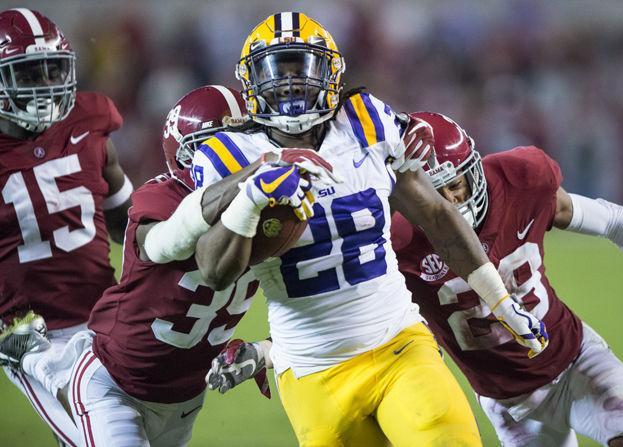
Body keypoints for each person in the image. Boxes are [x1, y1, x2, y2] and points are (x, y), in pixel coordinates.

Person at [195, 12, 548, 446]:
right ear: (251, 82)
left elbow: (436, 214)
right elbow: (213, 269)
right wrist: (252, 193)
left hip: (398, 344)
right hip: (312, 373)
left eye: (302, 70)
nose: (289, 85)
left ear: (332, 74)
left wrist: (499, 298)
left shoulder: (366, 122)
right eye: (276, 72)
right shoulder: (229, 154)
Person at [66, 84, 335, 447]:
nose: (234, 154)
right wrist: (250, 180)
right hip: (113, 383)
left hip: (185, 401)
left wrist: (264, 352)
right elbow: (164, 244)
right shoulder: (163, 196)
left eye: (245, 140)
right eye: (217, 146)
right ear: (186, 153)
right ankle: (41, 363)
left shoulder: (278, 210)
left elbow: (323, 304)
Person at [390, 111, 623, 447]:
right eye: (435, 195)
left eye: (455, 185)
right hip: (508, 402)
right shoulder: (394, 241)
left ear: (474, 171)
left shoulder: (518, 180)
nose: (451, 203)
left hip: (574, 358)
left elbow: (614, 221)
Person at [0, 8, 131, 446]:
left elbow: (129, 224)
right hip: (32, 337)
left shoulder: (90, 124)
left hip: (106, 318)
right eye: (27, 73)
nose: (44, 86)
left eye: (51, 69)